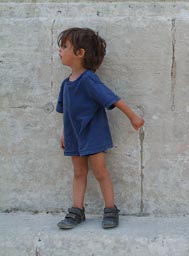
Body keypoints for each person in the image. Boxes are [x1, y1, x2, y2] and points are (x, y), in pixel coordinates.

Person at [56, 27, 144, 229]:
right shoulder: (65, 84)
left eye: (64, 46)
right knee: (78, 173)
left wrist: (133, 116)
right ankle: (77, 211)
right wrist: (64, 134)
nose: (59, 51)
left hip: (93, 134)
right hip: (74, 136)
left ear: (80, 53)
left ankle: (111, 209)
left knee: (100, 171)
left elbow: (112, 98)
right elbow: (67, 112)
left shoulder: (88, 79)